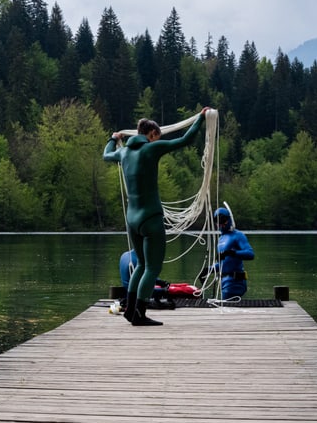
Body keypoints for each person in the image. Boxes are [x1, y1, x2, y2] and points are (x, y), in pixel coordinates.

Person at [104, 110, 208, 326]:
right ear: (151, 134)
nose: (158, 140)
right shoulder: (152, 149)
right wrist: (200, 118)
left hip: (132, 219)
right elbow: (185, 139)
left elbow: (106, 155)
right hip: (151, 217)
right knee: (152, 267)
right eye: (157, 136)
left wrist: (113, 139)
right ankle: (140, 314)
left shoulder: (123, 154)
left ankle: (130, 311)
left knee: (141, 264)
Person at [205, 206, 255, 299]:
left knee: (227, 309)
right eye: (218, 221)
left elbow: (250, 254)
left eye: (223, 220)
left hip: (235, 282)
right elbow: (223, 264)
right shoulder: (221, 238)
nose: (221, 224)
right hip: (224, 281)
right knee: (225, 308)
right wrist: (208, 270)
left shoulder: (237, 235)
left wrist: (232, 253)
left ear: (229, 219)